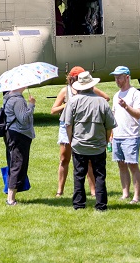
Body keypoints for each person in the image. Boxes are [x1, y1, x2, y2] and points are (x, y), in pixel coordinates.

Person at [51, 66, 111, 197]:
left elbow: (106, 98)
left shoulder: (90, 88)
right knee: (64, 159)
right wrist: (67, 105)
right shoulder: (65, 91)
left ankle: (93, 190)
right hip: (66, 125)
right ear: (72, 78)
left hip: (83, 126)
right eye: (76, 77)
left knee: (88, 160)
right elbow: (53, 110)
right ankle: (60, 190)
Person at [64, 71, 117, 210]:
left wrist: (70, 140)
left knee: (79, 175)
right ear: (92, 85)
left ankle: (79, 204)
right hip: (98, 145)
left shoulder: (73, 101)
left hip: (79, 145)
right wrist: (105, 141)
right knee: (99, 175)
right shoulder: (102, 102)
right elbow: (109, 126)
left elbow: (68, 124)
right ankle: (101, 205)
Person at [110, 65, 140, 203]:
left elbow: (138, 114)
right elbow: (113, 115)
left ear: (127, 77)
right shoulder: (116, 95)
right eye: (115, 77)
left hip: (131, 136)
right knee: (121, 166)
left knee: (132, 165)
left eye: (119, 77)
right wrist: (111, 133)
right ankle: (125, 193)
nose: (117, 80)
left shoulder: (136, 94)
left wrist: (126, 106)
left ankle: (136, 196)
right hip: (117, 136)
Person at [3, 86, 35, 206]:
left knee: (14, 163)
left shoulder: (8, 97)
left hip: (11, 133)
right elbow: (24, 119)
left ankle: (10, 192)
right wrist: (31, 105)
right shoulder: (18, 100)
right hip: (19, 135)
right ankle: (10, 198)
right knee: (18, 164)